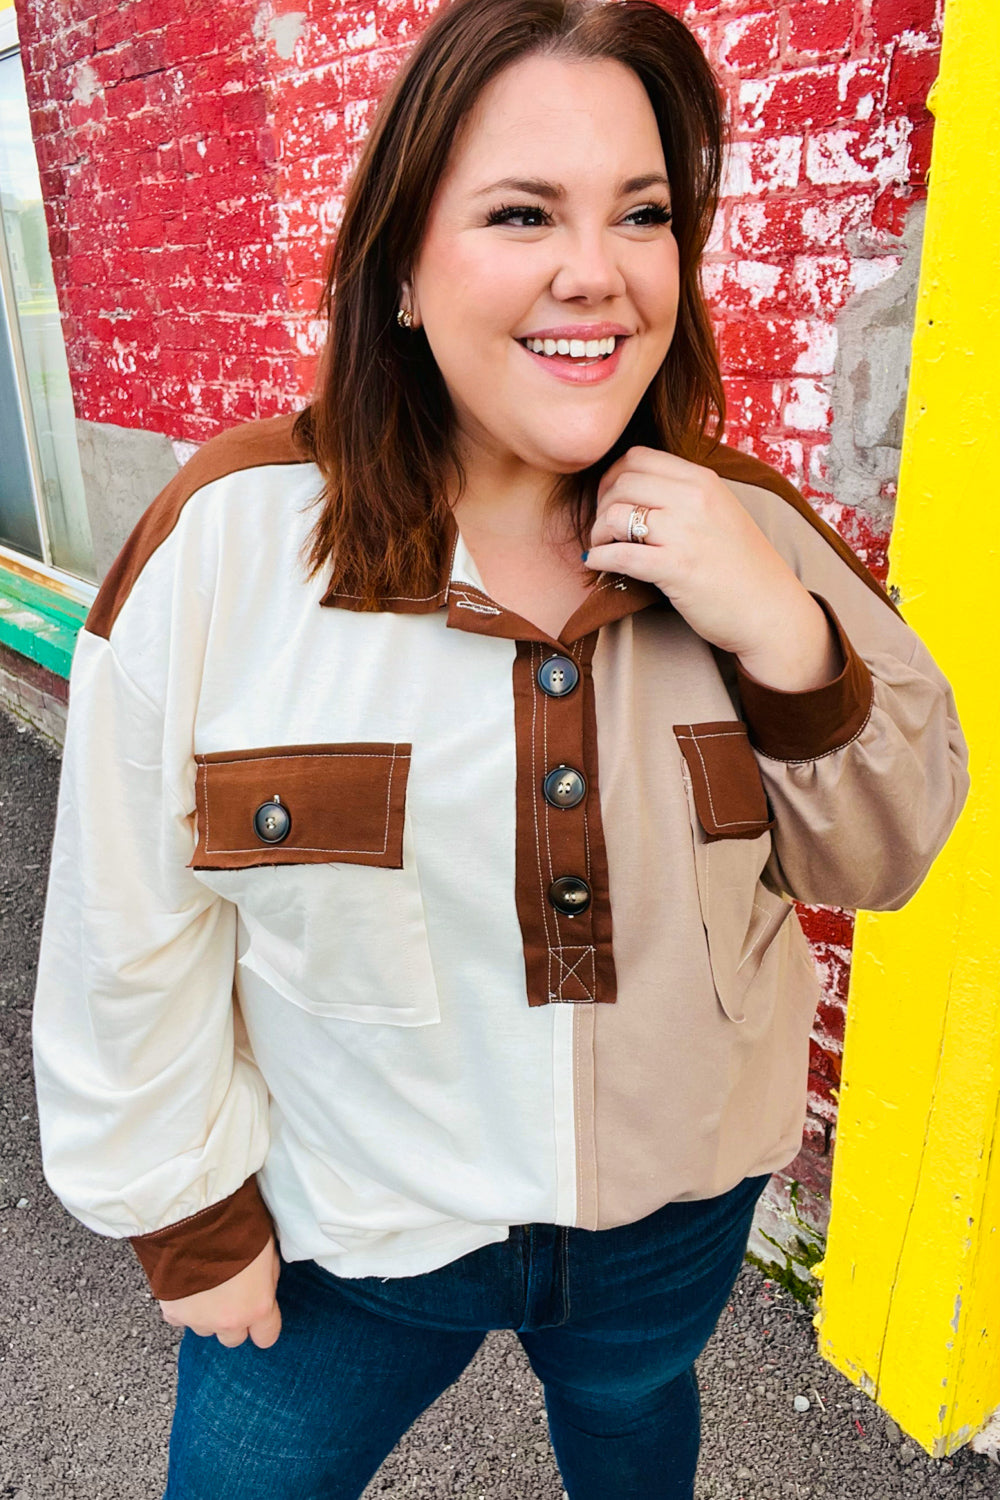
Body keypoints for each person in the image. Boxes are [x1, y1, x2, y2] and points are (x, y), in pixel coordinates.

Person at [31, 1, 968, 1496]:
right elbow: (124, 932)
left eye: (643, 213)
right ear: (402, 266)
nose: (594, 271)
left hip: (670, 1230)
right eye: (523, 210)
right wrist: (188, 1225)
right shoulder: (223, 545)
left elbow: (892, 845)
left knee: (638, 1422)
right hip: (349, 1241)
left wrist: (782, 631)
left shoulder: (755, 533)